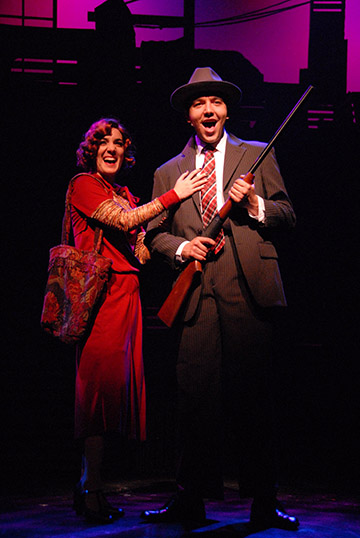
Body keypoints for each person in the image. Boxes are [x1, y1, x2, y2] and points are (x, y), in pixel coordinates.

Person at [141, 68, 299, 530]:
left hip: (247, 286)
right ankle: (190, 499)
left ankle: (264, 502)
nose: (208, 110)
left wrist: (253, 205)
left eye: (215, 102)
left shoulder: (256, 154)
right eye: (198, 104)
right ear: (189, 116)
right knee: (194, 401)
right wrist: (183, 248)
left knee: (255, 397)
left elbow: (288, 214)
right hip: (196, 290)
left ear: (226, 110)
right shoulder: (168, 171)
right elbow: (154, 235)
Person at [69, 117, 207, 523]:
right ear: (92, 149)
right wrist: (173, 195)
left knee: (112, 397)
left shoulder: (124, 192)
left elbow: (141, 252)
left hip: (128, 297)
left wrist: (174, 222)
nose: (111, 148)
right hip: (101, 300)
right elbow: (127, 221)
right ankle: (88, 488)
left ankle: (93, 487)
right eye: (103, 142)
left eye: (119, 143)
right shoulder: (84, 184)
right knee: (95, 396)